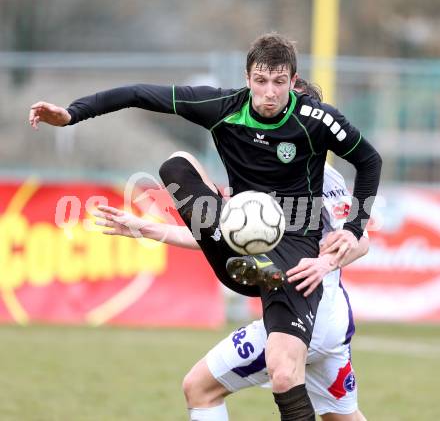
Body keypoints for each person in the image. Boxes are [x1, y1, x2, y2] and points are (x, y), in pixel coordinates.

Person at [29, 33, 382, 420]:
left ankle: (265, 267)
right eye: (261, 81)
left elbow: (367, 181)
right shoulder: (223, 107)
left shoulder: (320, 143)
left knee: (280, 380)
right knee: (177, 167)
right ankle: (260, 264)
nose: (270, 93)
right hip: (261, 265)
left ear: (293, 84)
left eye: (279, 83)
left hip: (303, 276)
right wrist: (73, 114)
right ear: (248, 79)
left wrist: (345, 238)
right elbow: (140, 93)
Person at [93, 162, 368, 421]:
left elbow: (361, 240)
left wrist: (326, 262)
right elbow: (227, 238)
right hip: (329, 323)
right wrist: (147, 229)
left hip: (310, 316)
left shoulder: (315, 167)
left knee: (199, 388)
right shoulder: (255, 164)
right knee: (344, 416)